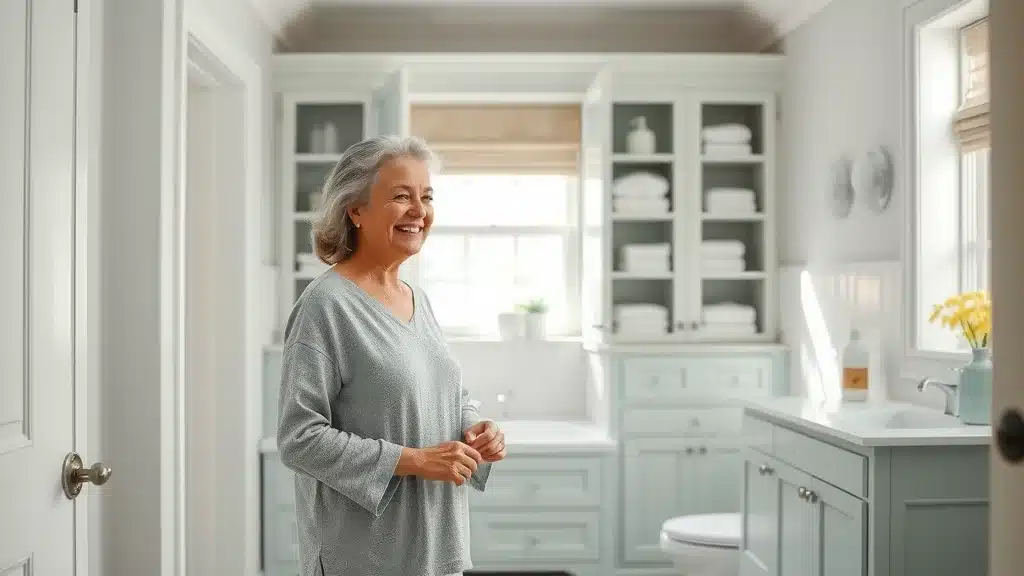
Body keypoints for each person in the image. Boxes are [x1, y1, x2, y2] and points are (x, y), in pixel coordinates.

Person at [277, 135, 506, 576]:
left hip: (436, 548)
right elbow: (298, 439)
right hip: (365, 557)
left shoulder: (416, 298)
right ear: (356, 210)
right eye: (402, 196)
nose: (419, 211)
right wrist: (417, 461)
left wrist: (475, 427)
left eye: (427, 196)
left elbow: (444, 394)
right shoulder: (325, 305)